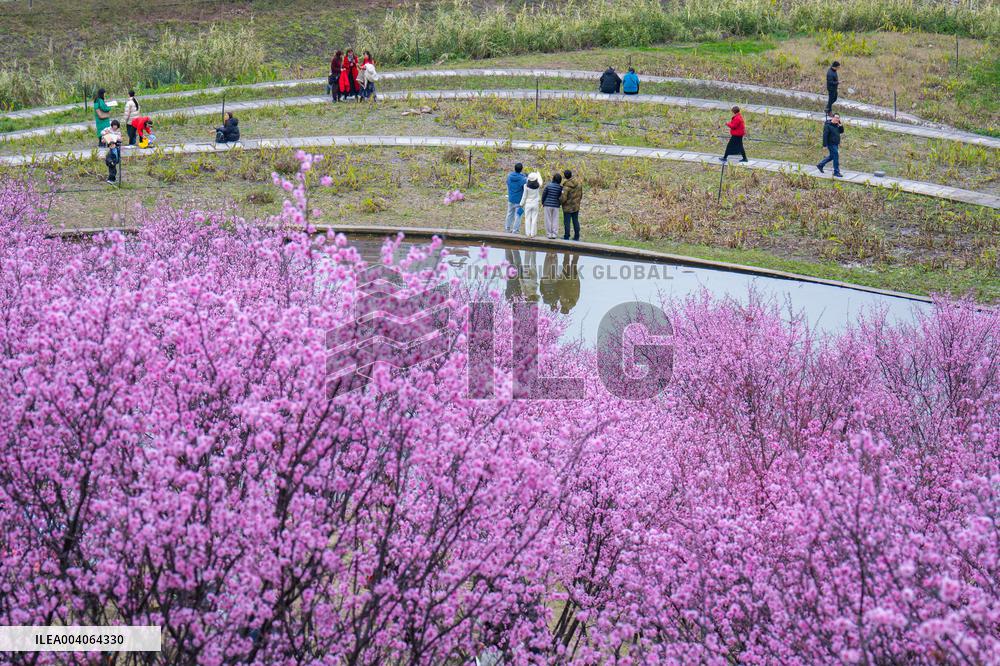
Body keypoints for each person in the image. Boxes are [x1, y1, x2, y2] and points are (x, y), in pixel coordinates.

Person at [817, 113, 844, 177]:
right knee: (836, 157)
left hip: (836, 143)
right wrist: (824, 145)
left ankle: (820, 165)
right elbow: (825, 135)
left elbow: (841, 131)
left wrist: (841, 125)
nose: (837, 119)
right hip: (830, 144)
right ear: (833, 117)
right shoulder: (828, 125)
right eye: (836, 117)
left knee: (832, 156)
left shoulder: (837, 125)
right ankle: (836, 172)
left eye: (838, 118)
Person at [559, 169, 582, 241]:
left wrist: (559, 202)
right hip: (576, 206)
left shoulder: (566, 187)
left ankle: (566, 236)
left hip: (567, 207)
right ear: (571, 175)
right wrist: (578, 202)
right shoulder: (578, 184)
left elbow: (563, 198)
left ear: (565, 177)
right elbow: (581, 195)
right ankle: (577, 236)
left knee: (567, 222)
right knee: (575, 221)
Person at [504, 163, 527, 233]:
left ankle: (507, 228)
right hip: (519, 200)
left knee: (509, 213)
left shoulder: (509, 176)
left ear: (514, 168)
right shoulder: (523, 179)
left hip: (511, 198)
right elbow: (525, 188)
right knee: (518, 215)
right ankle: (515, 230)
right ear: (521, 169)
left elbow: (507, 183)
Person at [519, 171, 542, 237]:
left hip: (528, 204)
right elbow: (540, 180)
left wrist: (521, 204)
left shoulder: (526, 186)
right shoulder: (538, 185)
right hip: (535, 203)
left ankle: (528, 233)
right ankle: (533, 233)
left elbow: (524, 196)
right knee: (534, 218)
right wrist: (538, 174)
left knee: (527, 218)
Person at [541, 173, 563, 239]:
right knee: (555, 220)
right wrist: (559, 203)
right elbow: (561, 196)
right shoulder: (560, 188)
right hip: (556, 205)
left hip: (547, 205)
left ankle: (549, 234)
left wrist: (543, 202)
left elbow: (544, 195)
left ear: (553, 178)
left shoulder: (548, 186)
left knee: (548, 219)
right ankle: (554, 234)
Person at [101, 120, 122, 184]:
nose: (115, 128)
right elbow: (102, 132)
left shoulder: (118, 132)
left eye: (116, 126)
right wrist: (106, 133)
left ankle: (113, 179)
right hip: (111, 162)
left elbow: (120, 139)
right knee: (112, 170)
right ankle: (111, 179)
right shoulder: (108, 129)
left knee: (114, 171)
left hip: (114, 160)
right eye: (114, 126)